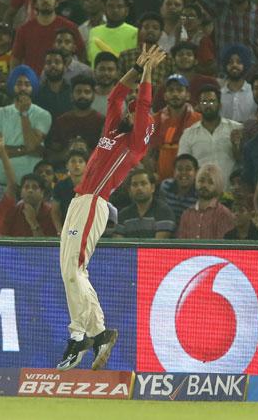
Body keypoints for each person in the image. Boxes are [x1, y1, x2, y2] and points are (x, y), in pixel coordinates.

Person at [56, 45, 166, 372]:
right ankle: (84, 336)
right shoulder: (113, 131)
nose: (131, 111)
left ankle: (93, 334)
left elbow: (143, 104)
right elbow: (115, 94)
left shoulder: (136, 142)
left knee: (75, 269)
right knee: (69, 272)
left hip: (94, 202)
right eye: (130, 109)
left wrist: (148, 75)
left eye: (136, 111)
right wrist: (136, 66)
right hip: (80, 202)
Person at [0, 65, 52, 183]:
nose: (23, 88)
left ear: (33, 87)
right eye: (18, 84)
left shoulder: (43, 115)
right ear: (12, 86)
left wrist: (24, 114)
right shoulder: (1, 113)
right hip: (4, 180)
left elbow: (31, 144)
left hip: (33, 182)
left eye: (27, 84)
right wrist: (25, 151)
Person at [11, 0, 85, 75]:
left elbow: (81, 54)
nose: (46, 0)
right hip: (33, 83)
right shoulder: (24, 29)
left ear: (57, 2)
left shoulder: (70, 27)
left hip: (62, 82)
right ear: (35, 3)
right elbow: (16, 58)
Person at [178, 84, 242, 190]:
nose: (208, 105)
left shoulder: (236, 129)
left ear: (219, 104)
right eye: (204, 102)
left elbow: (245, 160)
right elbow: (183, 165)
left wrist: (237, 145)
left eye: (212, 101)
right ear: (198, 106)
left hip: (231, 191)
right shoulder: (188, 134)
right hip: (202, 192)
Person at [149, 73, 201, 181]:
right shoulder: (155, 120)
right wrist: (151, 175)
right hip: (161, 180)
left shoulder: (199, 120)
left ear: (188, 95)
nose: (175, 94)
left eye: (179, 90)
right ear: (165, 96)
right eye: (171, 90)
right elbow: (148, 153)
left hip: (191, 180)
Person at [176, 163, 235, 239]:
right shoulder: (187, 214)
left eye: (210, 182)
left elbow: (224, 247)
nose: (204, 185)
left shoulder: (223, 214)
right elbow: (181, 246)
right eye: (201, 181)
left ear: (218, 186)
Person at [114, 168, 175, 239]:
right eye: (135, 184)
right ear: (130, 190)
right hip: (129, 251)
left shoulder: (164, 211)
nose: (139, 188)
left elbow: (158, 245)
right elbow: (118, 244)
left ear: (152, 188)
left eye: (143, 184)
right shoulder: (123, 215)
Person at [87, 0, 138, 68]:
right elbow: (90, 60)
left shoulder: (135, 33)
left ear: (126, 11)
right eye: (111, 6)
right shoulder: (93, 31)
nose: (115, 10)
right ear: (104, 8)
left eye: (119, 6)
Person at [0, 173, 57, 237]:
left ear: (42, 193)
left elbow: (47, 245)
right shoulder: (12, 212)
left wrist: (33, 222)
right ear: (21, 192)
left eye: (34, 187)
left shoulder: (52, 214)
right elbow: (2, 239)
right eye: (26, 187)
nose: (30, 190)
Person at [158, 153, 199, 228]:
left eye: (188, 169)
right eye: (179, 169)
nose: (183, 173)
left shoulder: (199, 191)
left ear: (196, 172)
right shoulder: (166, 186)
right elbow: (160, 213)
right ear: (174, 171)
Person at [218, 43, 257, 123]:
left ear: (245, 65)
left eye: (239, 62)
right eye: (230, 62)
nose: (234, 65)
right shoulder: (219, 94)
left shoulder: (254, 92)